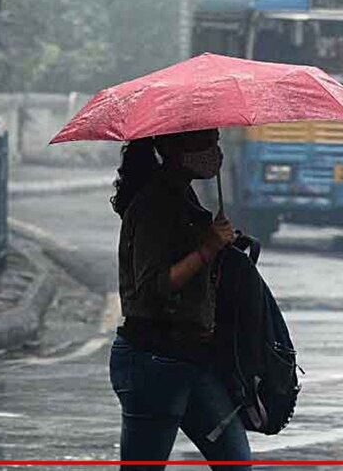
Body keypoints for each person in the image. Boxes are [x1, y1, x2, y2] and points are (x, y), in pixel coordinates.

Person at [108, 129, 251, 469]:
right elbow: (154, 286)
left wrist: (222, 249)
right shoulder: (154, 203)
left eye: (216, 140)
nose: (214, 151)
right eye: (205, 142)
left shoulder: (183, 195)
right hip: (154, 360)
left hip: (193, 357)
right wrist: (206, 249)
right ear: (172, 147)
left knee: (236, 462)